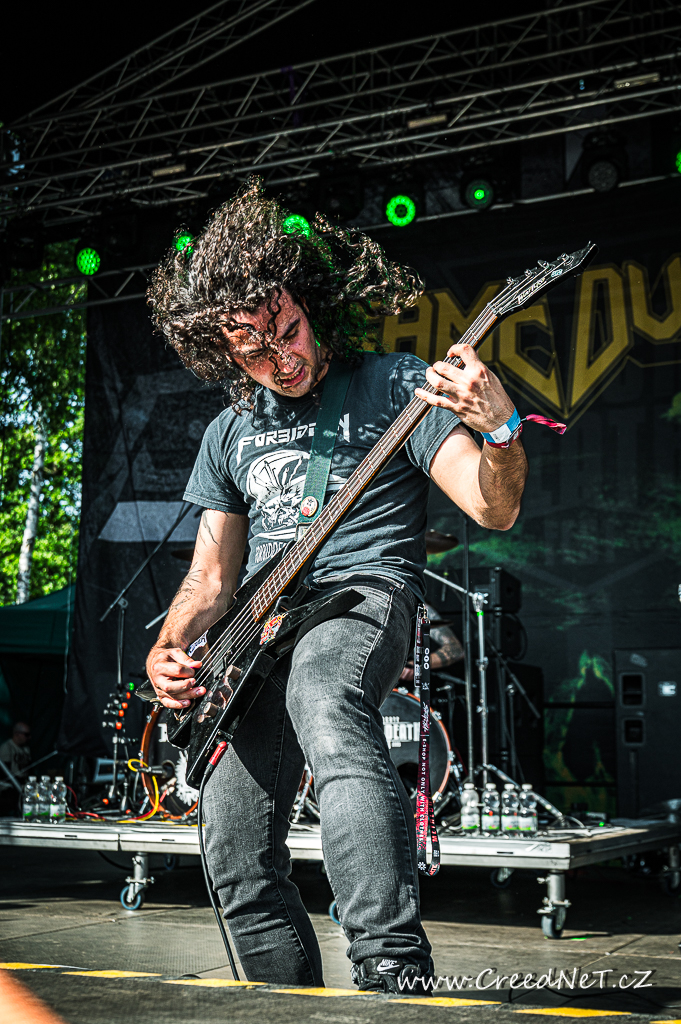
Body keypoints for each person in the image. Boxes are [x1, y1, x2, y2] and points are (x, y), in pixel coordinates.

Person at [145, 179, 528, 993]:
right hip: (257, 633)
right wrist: (169, 646)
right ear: (221, 353)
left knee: (324, 697)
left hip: (360, 594)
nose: (280, 359)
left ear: (308, 304)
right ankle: (280, 1000)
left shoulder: (392, 386)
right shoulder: (227, 431)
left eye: (286, 331)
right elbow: (210, 577)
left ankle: (391, 967)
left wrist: (498, 428)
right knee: (232, 841)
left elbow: (490, 506)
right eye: (252, 350)